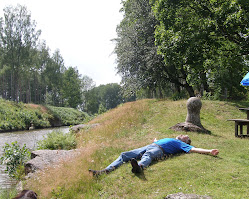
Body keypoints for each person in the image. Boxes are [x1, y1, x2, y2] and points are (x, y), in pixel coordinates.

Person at [89, 135, 219, 175]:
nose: (183, 135)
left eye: (186, 136)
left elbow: (194, 149)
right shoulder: (171, 138)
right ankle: (106, 170)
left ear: (185, 141)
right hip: (151, 145)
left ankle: (139, 167)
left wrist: (209, 151)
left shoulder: (181, 144)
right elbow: (156, 141)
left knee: (149, 155)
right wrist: (155, 140)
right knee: (124, 155)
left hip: (159, 150)